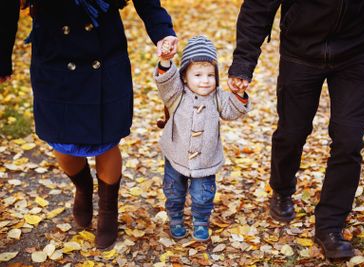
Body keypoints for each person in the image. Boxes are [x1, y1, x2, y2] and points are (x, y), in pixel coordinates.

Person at [227, 0, 364, 259]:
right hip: (301, 51)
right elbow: (258, 5)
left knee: (349, 141)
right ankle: (282, 189)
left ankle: (330, 226)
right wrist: (243, 61)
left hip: (358, 52)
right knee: (291, 132)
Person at [0, 0, 177, 249]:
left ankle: (107, 209)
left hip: (104, 51)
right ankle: (83, 187)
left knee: (106, 140)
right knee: (61, 141)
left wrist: (163, 33)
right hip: (54, 53)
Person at [154, 36, 250, 241]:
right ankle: (176, 219)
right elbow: (165, 82)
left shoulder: (218, 97)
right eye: (198, 74)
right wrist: (164, 61)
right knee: (173, 191)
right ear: (185, 77)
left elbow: (233, 111)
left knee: (203, 194)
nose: (205, 80)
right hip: (176, 155)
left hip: (205, 160)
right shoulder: (176, 93)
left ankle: (200, 221)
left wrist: (239, 93)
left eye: (210, 75)